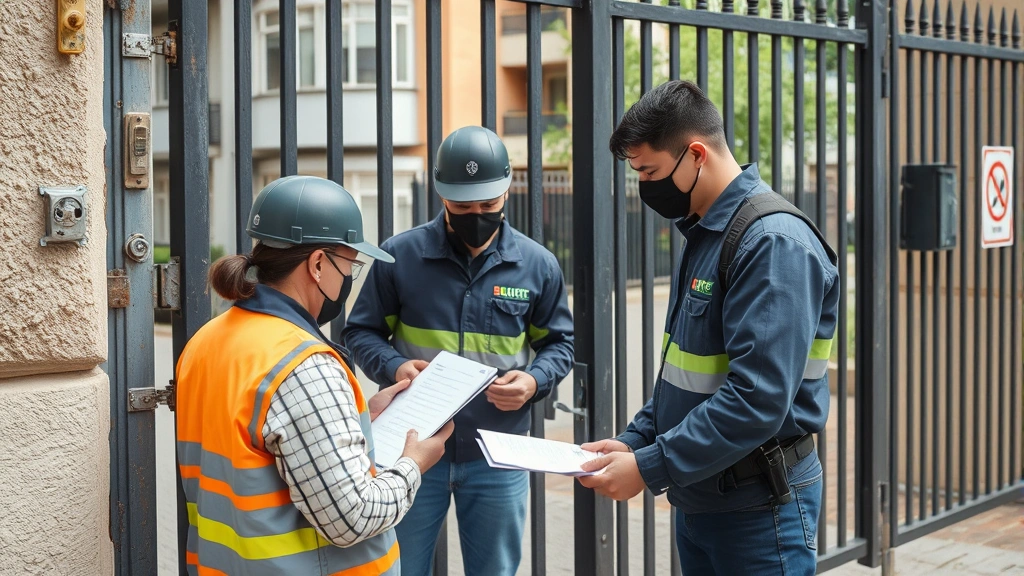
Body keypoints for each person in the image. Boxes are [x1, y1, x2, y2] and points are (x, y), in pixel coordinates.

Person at [578, 80, 840, 575]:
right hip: (703, 494)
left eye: (650, 171)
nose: (644, 186)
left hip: (759, 507)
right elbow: (687, 374)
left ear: (696, 153)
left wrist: (648, 466)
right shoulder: (708, 231)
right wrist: (636, 442)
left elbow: (756, 398)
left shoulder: (771, 243)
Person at [175, 175, 454, 575]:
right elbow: (353, 518)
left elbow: (260, 441)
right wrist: (413, 464)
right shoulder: (302, 365)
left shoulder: (206, 340)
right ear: (319, 264)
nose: (348, 281)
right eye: (349, 266)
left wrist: (363, 419)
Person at [343, 126, 574, 576]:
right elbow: (361, 332)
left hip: (498, 455)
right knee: (400, 569)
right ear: (442, 195)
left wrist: (533, 381)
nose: (476, 215)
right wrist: (394, 366)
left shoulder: (537, 265)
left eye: (487, 205)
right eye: (462, 206)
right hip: (412, 452)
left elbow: (558, 343)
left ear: (506, 192)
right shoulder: (400, 257)